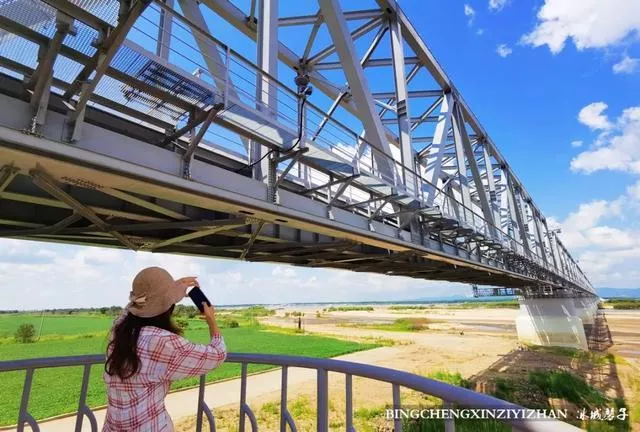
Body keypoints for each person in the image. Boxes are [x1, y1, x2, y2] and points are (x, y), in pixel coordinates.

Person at [103, 267, 226, 431]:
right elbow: (217, 354)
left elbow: (128, 311)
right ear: (169, 307)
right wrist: (212, 320)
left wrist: (169, 291)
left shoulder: (119, 331)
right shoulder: (163, 342)